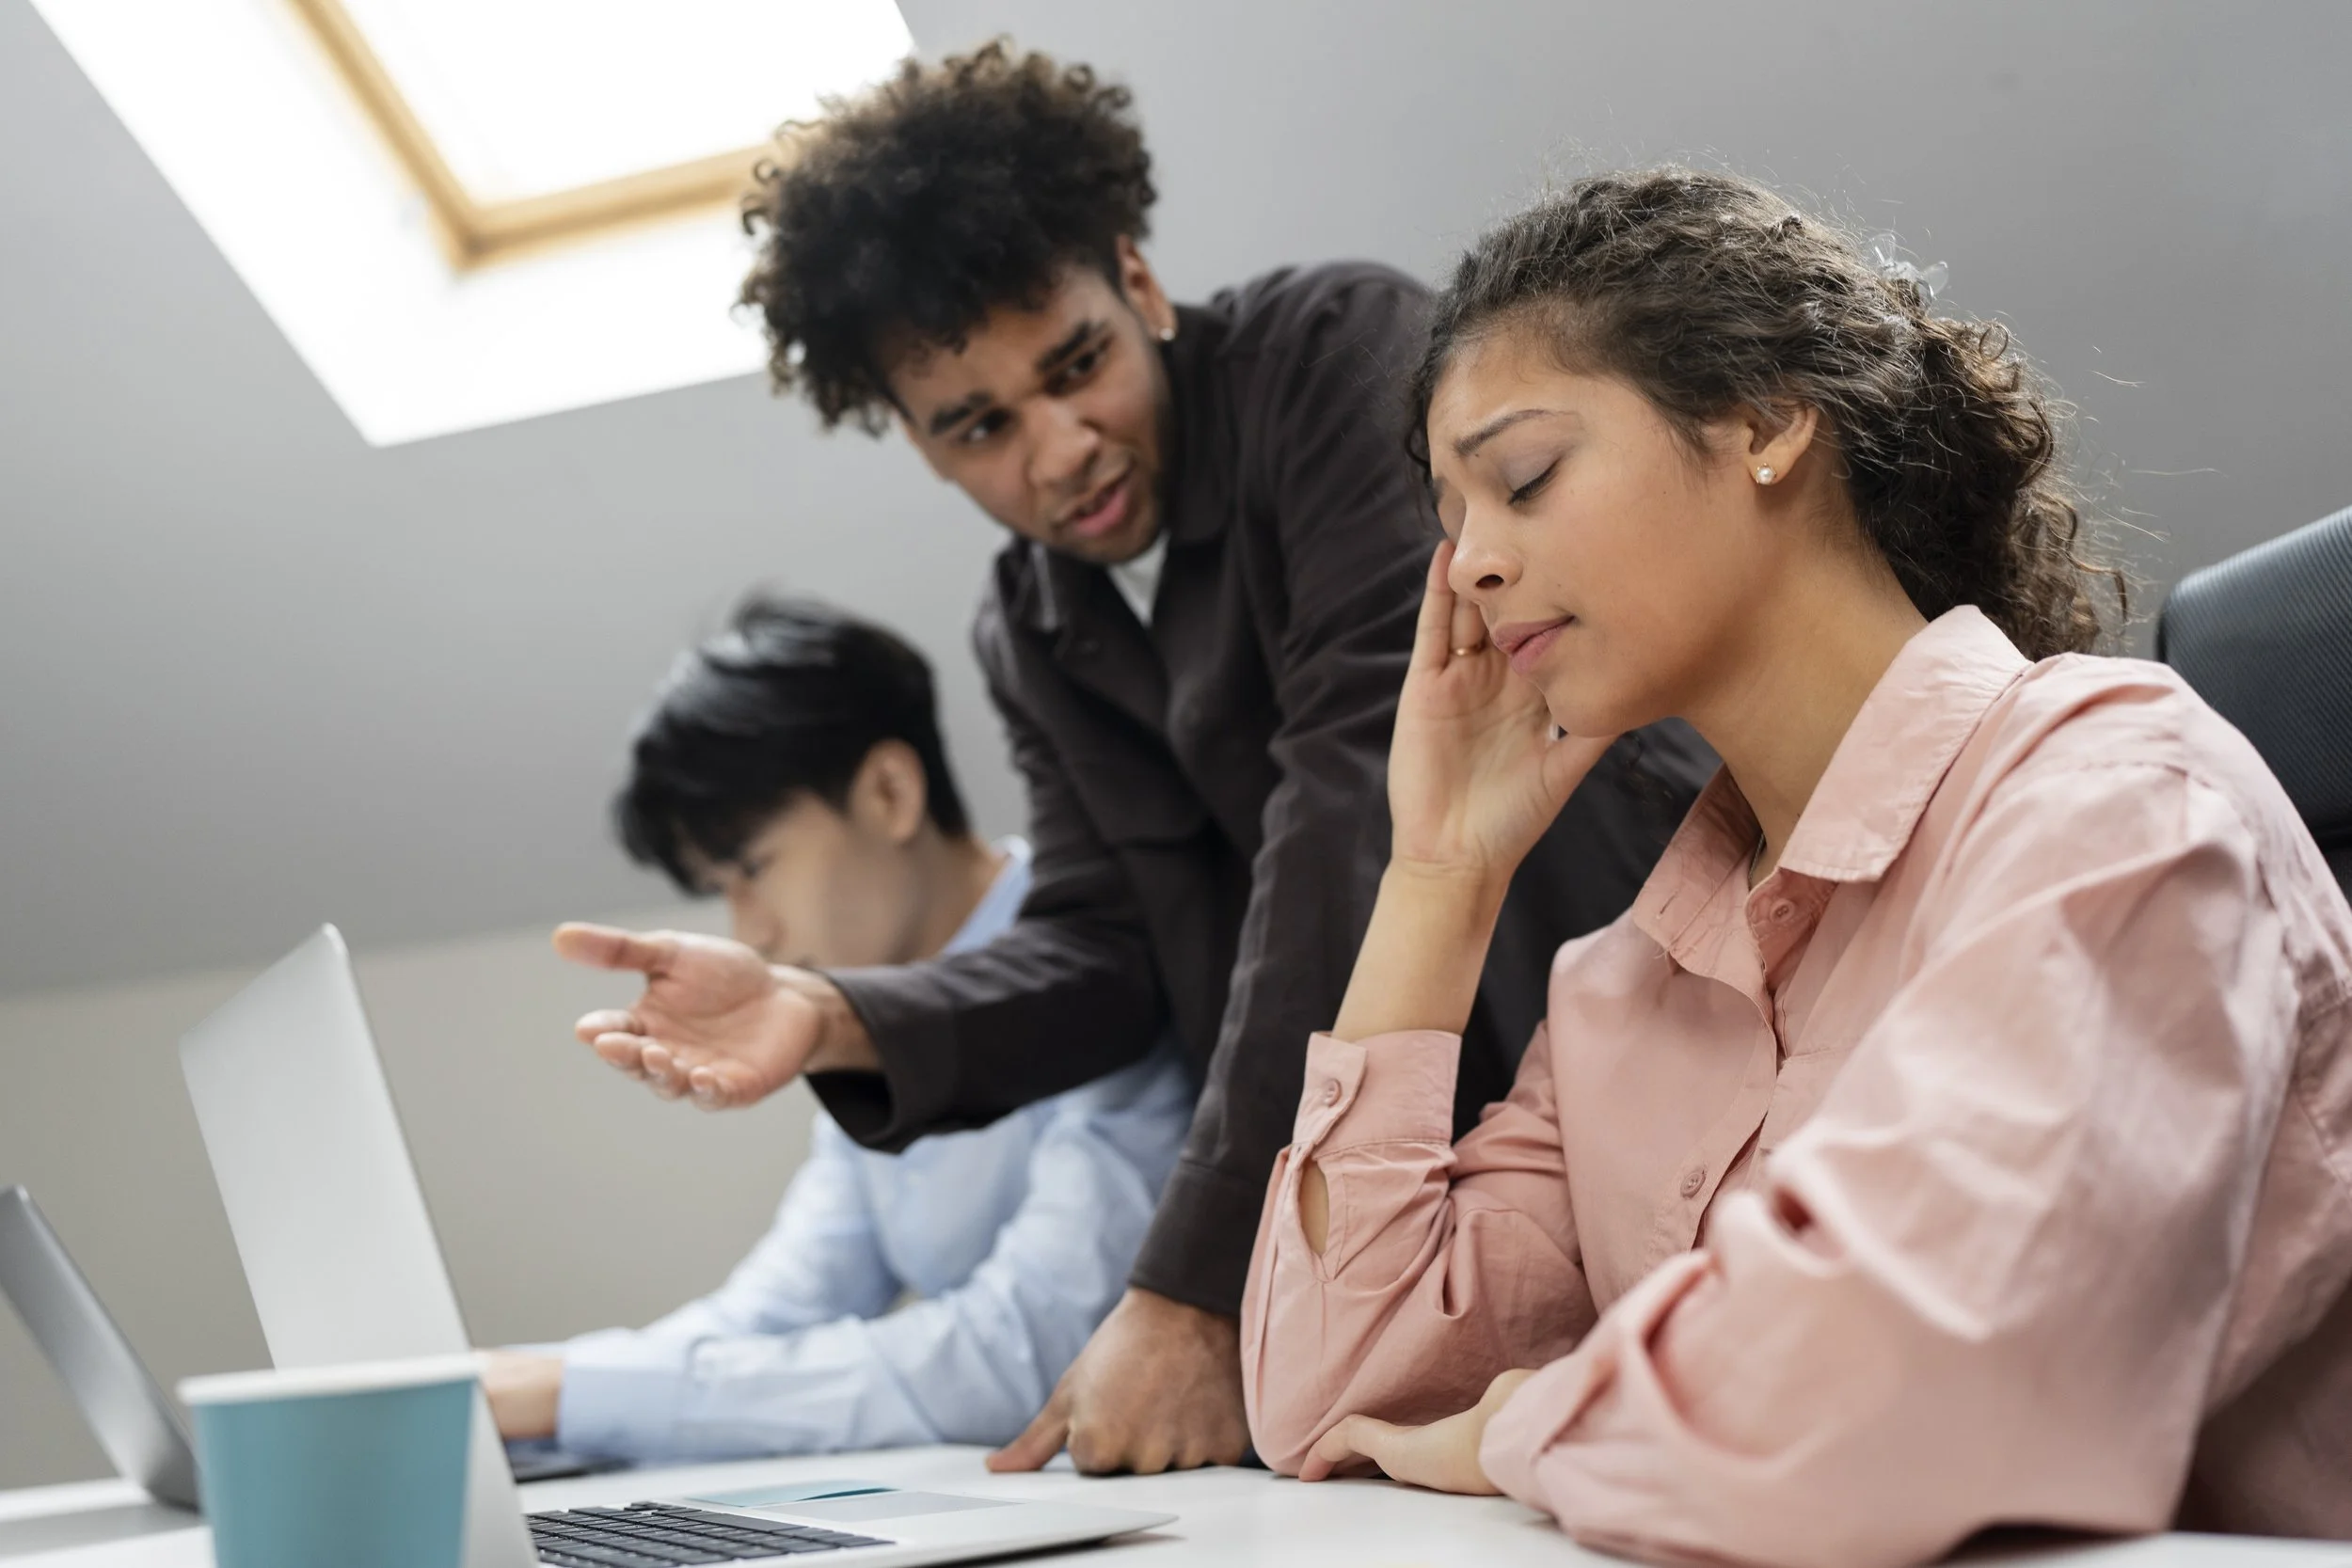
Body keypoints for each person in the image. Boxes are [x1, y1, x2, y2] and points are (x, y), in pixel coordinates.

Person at [550, 43, 1710, 1474]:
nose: (1059, 448)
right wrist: (836, 1012)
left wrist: (1187, 1292)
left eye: (1078, 364)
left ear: (1138, 281)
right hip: (1425, 1190)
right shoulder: (1031, 629)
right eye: (980, 425)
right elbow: (1100, 947)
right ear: (922, 447)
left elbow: (1353, 797)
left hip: (1648, 1050)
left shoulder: (1335, 360)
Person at [1239, 167, 2352, 1566]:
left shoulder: (2117, 803)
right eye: (1450, 523)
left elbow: (1901, 1393)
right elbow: (1332, 1396)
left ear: (1766, 420)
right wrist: (1440, 871)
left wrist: (1519, 1420)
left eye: (1522, 478)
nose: (1465, 568)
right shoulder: (1628, 985)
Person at [485, 597, 1190, 1462]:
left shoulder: (1100, 965)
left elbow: (1032, 1350)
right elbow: (779, 1310)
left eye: (752, 870)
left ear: (890, 793)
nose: (753, 932)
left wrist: (568, 1395)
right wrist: (517, 1402)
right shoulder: (860, 1004)